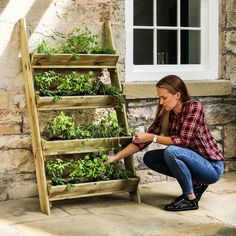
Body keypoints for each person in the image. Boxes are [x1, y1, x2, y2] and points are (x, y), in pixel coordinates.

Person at [105, 75, 224, 211]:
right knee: (150, 158)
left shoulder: (194, 107)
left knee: (172, 151)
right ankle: (197, 183)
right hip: (193, 161)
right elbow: (142, 142)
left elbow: (182, 141)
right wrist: (116, 157)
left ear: (178, 95)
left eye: (164, 97)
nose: (161, 102)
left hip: (211, 167)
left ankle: (190, 199)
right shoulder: (166, 113)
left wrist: (151, 137)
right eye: (159, 98)